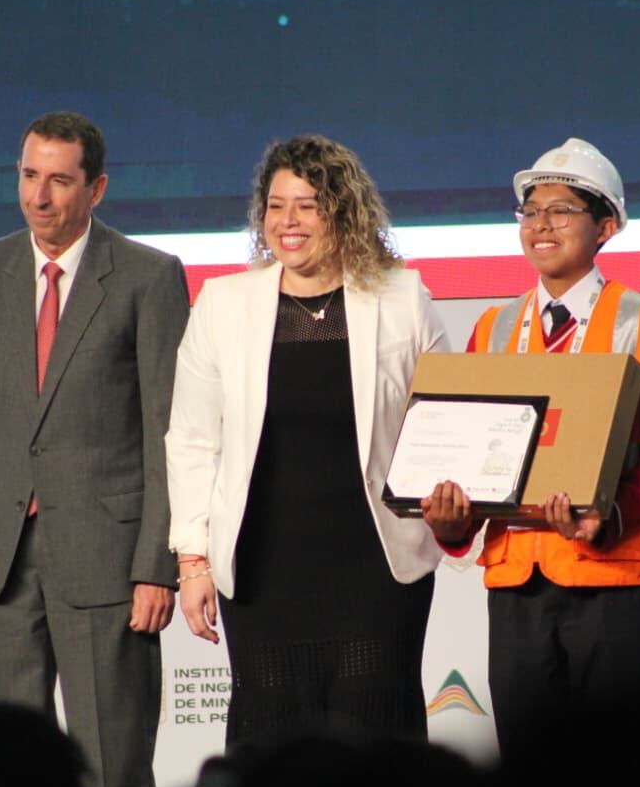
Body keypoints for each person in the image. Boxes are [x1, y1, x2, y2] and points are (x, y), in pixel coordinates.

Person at [0, 111, 190, 787]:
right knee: (5, 769)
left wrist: (156, 565)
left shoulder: (148, 277)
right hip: (2, 562)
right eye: (28, 176)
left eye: (59, 181)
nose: (39, 197)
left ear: (96, 189)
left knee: (112, 767)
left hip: (111, 561)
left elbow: (170, 432)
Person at [165, 134, 448, 747]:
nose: (286, 222)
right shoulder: (223, 303)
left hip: (377, 564)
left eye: (307, 204)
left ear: (343, 211)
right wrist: (192, 560)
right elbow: (190, 439)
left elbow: (444, 420)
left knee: (374, 738)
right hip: (265, 567)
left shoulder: (403, 297)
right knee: (274, 742)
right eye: (274, 205)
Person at [421, 138, 640, 758]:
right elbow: (471, 457)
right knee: (528, 764)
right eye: (530, 211)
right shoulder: (491, 327)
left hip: (613, 577)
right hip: (520, 584)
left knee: (620, 767)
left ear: (605, 227)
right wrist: (451, 525)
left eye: (562, 210)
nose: (541, 225)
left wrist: (613, 516)